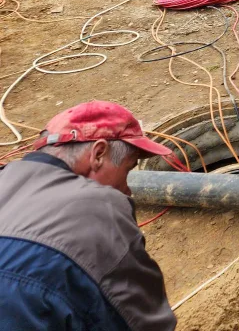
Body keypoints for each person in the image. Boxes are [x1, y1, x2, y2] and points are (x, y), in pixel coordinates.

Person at [0, 101, 178, 331]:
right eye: (128, 168)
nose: (128, 189)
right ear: (99, 154)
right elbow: (144, 323)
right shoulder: (100, 208)